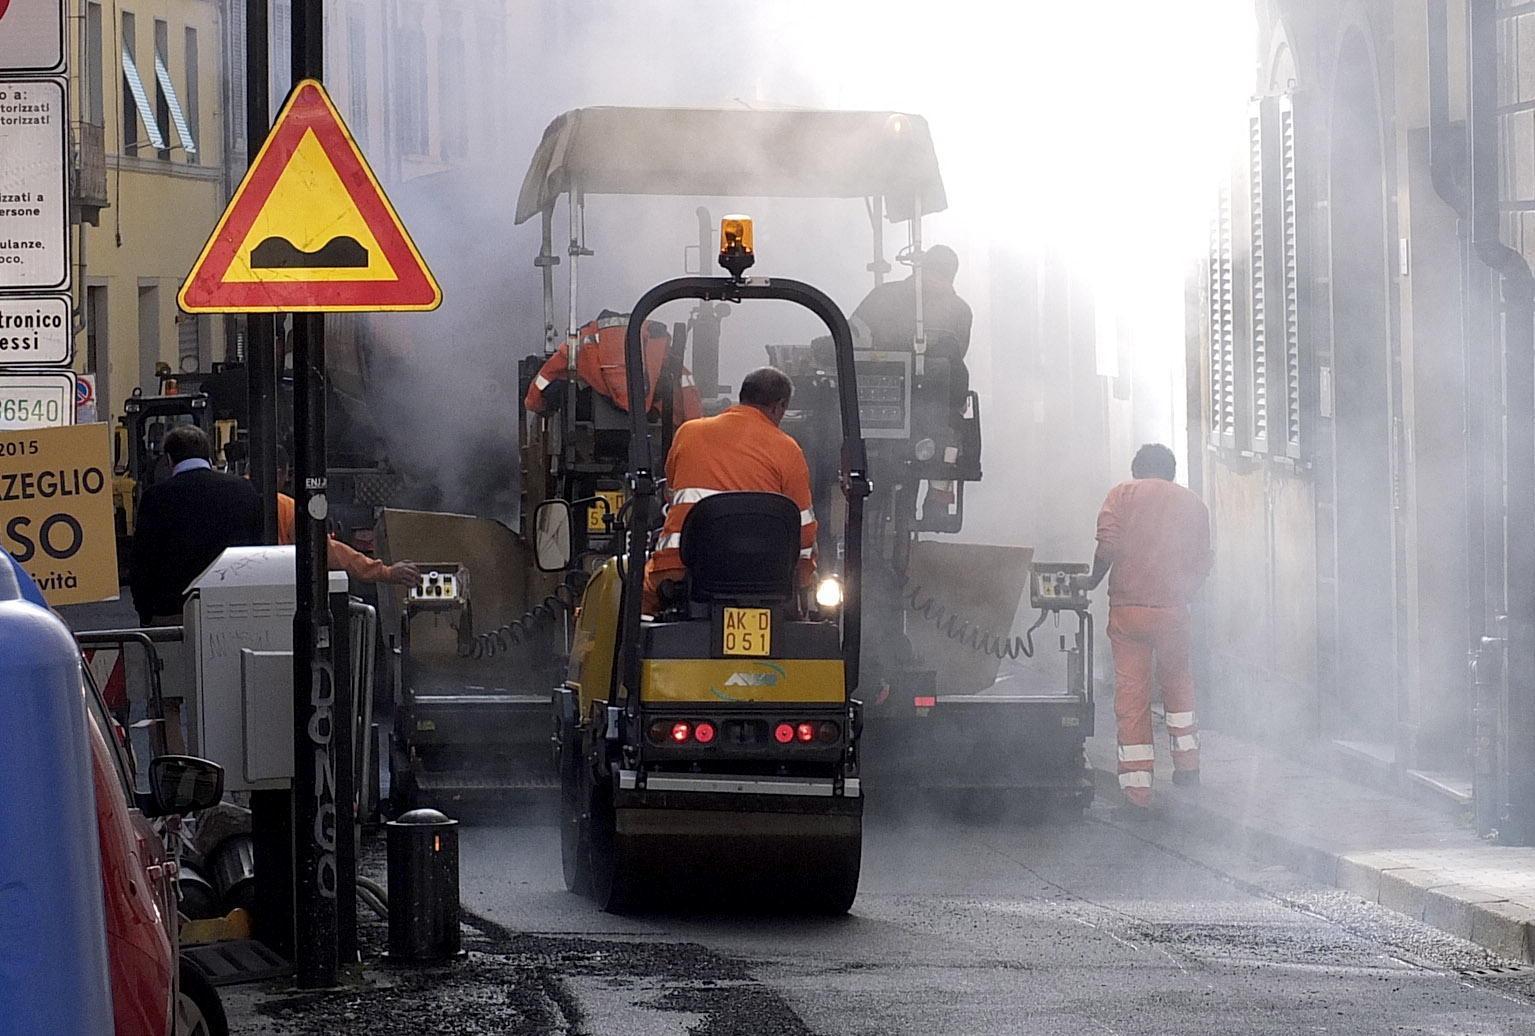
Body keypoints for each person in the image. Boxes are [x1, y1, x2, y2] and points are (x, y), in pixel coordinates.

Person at [1081, 443, 1213, 812]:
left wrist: (1092, 582)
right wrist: (1184, 592)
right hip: (1172, 611)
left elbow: (1107, 546)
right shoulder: (1192, 503)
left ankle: (1138, 792)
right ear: (1170, 471)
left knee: (1132, 696)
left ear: (1137, 470)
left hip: (1129, 614)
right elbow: (1203, 561)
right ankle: (1188, 766)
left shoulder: (1121, 495)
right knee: (1178, 682)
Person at [643, 367, 817, 613]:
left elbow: (670, 493)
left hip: (681, 573)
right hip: (764, 581)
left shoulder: (689, 433)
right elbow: (805, 530)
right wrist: (802, 581)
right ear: (779, 407)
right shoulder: (789, 450)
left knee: (633, 600)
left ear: (743, 396)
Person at [851, 245, 973, 521]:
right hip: (925, 413)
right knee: (946, 445)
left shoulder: (883, 296)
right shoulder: (960, 309)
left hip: (877, 407)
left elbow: (852, 335)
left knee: (946, 443)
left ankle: (937, 501)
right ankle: (938, 504)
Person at [129, 424, 262, 626]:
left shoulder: (155, 498)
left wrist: (146, 613)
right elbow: (258, 547)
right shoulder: (242, 490)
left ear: (169, 459)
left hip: (173, 613)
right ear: (209, 455)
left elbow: (142, 562)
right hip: (235, 611)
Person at [273, 448, 420, 586]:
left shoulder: (253, 500)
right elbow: (324, 550)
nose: (286, 481)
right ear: (278, 473)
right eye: (286, 475)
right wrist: (386, 572)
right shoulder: (286, 508)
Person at [524, 310, 703, 422]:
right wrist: (692, 425)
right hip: (652, 424)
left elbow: (545, 376)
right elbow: (686, 388)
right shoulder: (656, 342)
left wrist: (535, 404)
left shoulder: (582, 342)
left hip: (592, 440)